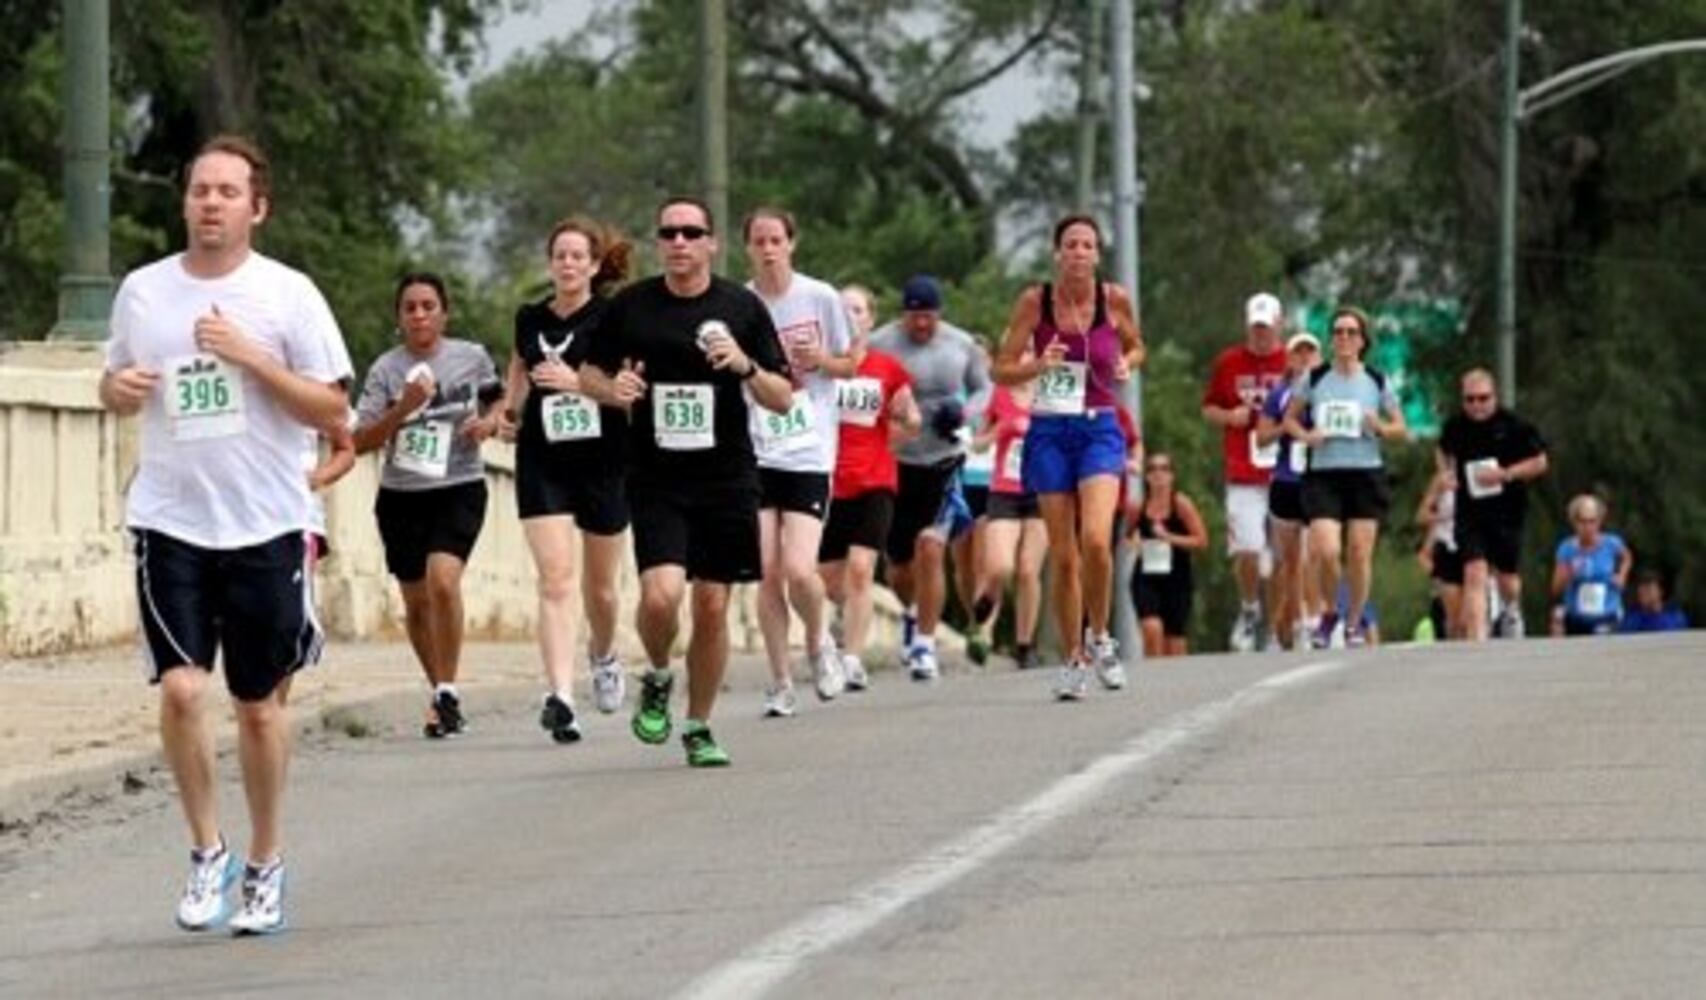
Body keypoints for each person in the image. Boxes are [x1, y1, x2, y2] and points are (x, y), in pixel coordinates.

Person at [100, 135, 349, 936]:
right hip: (170, 516)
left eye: (228, 192)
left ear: (257, 207)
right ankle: (207, 849)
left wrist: (252, 359)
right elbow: (112, 382)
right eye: (200, 190)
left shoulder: (288, 295)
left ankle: (265, 860)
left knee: (257, 708)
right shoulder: (143, 292)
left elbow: (331, 411)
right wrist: (118, 387)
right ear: (185, 202)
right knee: (180, 688)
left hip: (267, 521)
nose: (211, 202)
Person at [579, 196, 793, 767]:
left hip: (727, 477)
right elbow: (588, 374)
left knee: (714, 606)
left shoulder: (741, 307)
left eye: (690, 233)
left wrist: (746, 365)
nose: (678, 242)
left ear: (711, 243)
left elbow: (781, 396)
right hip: (656, 475)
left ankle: (698, 725)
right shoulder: (631, 308)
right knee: (660, 595)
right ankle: (656, 673)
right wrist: (612, 390)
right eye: (668, 233)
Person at [992, 215, 1144, 700]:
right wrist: (1039, 365)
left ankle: (1101, 636)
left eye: (1088, 245)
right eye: (1071, 245)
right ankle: (1073, 655)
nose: (1079, 252)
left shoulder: (1113, 299)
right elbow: (1001, 369)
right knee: (1063, 555)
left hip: (1099, 426)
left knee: (1098, 540)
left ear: (1098, 254)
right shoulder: (1035, 302)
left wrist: (1127, 362)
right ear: (1057, 254)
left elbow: (1136, 344)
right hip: (1050, 430)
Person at [496, 217, 632, 743]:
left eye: (579, 256)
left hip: (604, 460)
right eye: (561, 255)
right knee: (554, 579)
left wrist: (578, 383)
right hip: (544, 458)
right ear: (550, 262)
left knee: (600, 589)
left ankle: (603, 653)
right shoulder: (530, 318)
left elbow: (626, 391)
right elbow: (517, 365)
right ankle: (561, 696)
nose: (569, 264)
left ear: (595, 266)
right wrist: (510, 410)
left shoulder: (613, 317)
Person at [742, 207, 857, 716]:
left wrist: (820, 363)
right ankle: (780, 679)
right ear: (747, 248)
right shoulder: (740, 304)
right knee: (766, 572)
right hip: (757, 448)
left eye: (776, 240)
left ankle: (817, 640)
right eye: (759, 241)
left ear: (792, 243)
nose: (768, 250)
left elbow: (852, 362)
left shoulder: (820, 298)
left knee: (798, 568)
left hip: (809, 448)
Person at [869, 275, 991, 681]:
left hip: (946, 460)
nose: (922, 324)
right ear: (904, 313)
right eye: (914, 316)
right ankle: (910, 612)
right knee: (899, 567)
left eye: (929, 316)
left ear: (939, 313)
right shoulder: (881, 343)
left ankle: (924, 646)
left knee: (931, 546)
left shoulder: (960, 344)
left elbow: (985, 390)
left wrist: (965, 414)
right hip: (898, 462)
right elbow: (863, 388)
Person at [1283, 306, 1406, 648]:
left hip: (1366, 471)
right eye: (1338, 332)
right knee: (1325, 549)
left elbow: (1400, 427)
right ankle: (1331, 610)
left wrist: (1379, 426)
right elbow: (1290, 420)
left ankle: (1353, 622)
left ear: (1363, 340)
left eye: (1351, 332)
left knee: (1359, 552)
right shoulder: (1315, 378)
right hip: (1324, 473)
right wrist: (1308, 437)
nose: (1344, 338)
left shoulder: (1377, 380)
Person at [819, 284, 922, 690]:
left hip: (875, 480)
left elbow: (911, 421)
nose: (850, 316)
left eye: (857, 310)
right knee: (825, 580)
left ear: (870, 319)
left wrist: (902, 423)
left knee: (862, 571)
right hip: (827, 481)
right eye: (843, 309)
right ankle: (838, 628)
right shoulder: (820, 366)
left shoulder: (887, 368)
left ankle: (852, 658)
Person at [1202, 292, 1290, 652]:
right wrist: (1228, 416)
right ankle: (1250, 607)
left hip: (1284, 470)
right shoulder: (1229, 362)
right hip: (1242, 468)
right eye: (1255, 328)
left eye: (1267, 328)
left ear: (1279, 325)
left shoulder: (1290, 361)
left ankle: (1275, 628)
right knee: (1249, 549)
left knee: (1283, 557)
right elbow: (1209, 407)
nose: (1261, 335)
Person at [1437, 368, 1549, 640]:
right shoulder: (1455, 426)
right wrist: (1447, 473)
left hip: (1507, 511)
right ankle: (1478, 640)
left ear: (1495, 397)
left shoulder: (1514, 426)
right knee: (1474, 571)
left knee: (1507, 577)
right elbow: (1442, 450)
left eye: (1483, 398)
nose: (1476, 405)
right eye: (1470, 399)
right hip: (1470, 512)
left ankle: (1511, 608)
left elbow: (1540, 462)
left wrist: (1506, 474)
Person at [968, 378, 1049, 669]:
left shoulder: (1052, 394)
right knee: (1000, 566)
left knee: (1029, 571)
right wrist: (996, 432)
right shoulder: (999, 395)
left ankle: (1025, 646)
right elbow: (976, 444)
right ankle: (986, 599)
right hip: (1005, 491)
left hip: (1043, 492)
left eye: (1030, 349)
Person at [1255, 330, 1322, 650]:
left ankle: (1317, 617)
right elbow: (1261, 437)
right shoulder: (1278, 394)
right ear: (1290, 358)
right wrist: (1288, 426)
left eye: (1310, 352)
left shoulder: (1328, 391)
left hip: (1320, 479)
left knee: (1317, 552)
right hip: (1286, 479)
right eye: (1299, 352)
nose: (1305, 358)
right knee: (1291, 560)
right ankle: (1297, 623)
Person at [1128, 452, 1209, 657]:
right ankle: (1151, 679)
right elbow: (1128, 536)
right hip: (1147, 576)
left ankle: (1173, 685)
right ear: (1146, 476)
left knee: (1174, 646)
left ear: (1172, 475)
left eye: (1164, 469)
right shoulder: (1139, 507)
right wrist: (1134, 541)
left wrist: (1169, 538)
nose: (1158, 474)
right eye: (1153, 469)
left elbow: (1201, 541)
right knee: (1151, 629)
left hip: (1177, 578)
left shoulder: (1181, 505)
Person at [1551, 493, 1632, 636]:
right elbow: (1555, 589)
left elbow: (1627, 557)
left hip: (1607, 614)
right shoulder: (1567, 549)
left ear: (1600, 521)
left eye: (1592, 521)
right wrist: (1568, 575)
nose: (1587, 527)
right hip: (1576, 617)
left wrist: (1621, 576)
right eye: (1582, 522)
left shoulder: (1611, 544)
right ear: (1574, 522)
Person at [1415, 467, 1463, 639]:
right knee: (1454, 620)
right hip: (1447, 551)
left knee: (1469, 617)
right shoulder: (1443, 479)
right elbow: (1420, 516)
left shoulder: (1483, 468)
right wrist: (1442, 516)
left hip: (1473, 550)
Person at [1622, 571, 1691, 633]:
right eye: (1640, 588)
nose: (1642, 592)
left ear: (1661, 591)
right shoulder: (1632, 620)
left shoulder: (1676, 617)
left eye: (1648, 588)